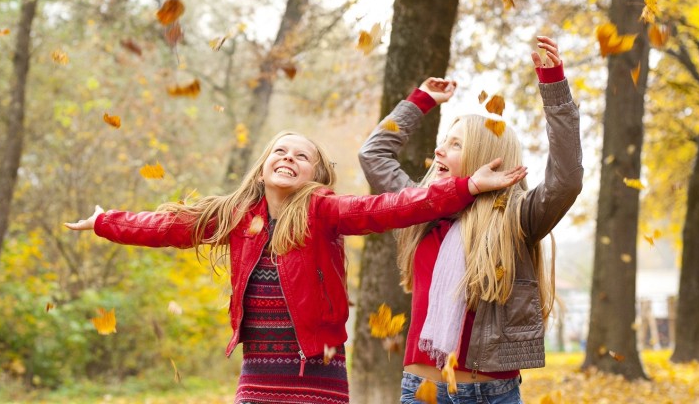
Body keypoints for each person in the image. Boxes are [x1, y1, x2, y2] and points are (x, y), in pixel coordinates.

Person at [66, 130, 527, 404]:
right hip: (258, 372)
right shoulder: (235, 216)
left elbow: (391, 207)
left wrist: (464, 186)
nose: (288, 158)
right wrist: (106, 222)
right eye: (280, 152)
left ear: (315, 176)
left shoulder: (324, 212)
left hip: (317, 371)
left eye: (301, 156)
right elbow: (168, 225)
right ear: (263, 166)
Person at [358, 36, 583, 404]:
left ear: (486, 155)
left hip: (492, 393)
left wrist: (554, 86)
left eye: (455, 144)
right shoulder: (422, 208)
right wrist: (422, 101)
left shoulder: (517, 218)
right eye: (444, 142)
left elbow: (567, 179)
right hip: (421, 392)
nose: (438, 150)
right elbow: (373, 154)